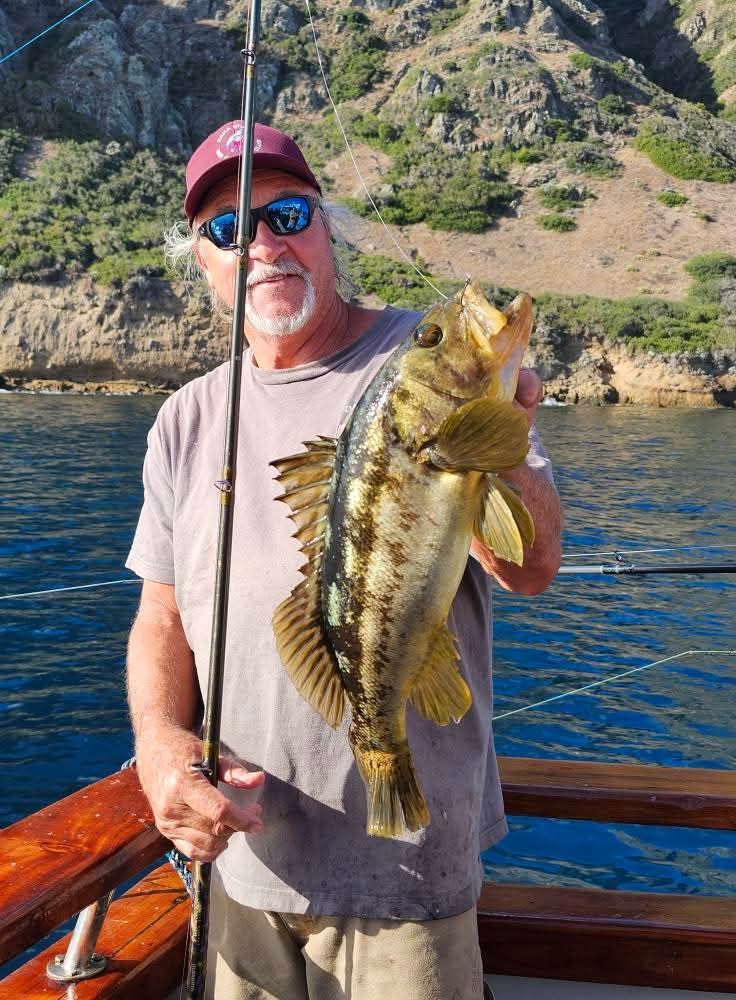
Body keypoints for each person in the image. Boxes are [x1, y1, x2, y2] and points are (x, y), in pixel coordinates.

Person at [126, 119, 563, 1000]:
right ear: (202, 263)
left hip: (408, 878)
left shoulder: (411, 360)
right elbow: (163, 616)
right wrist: (161, 747)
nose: (263, 246)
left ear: (328, 228)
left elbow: (532, 567)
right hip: (243, 864)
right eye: (227, 230)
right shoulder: (186, 418)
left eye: (287, 215)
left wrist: (501, 441)